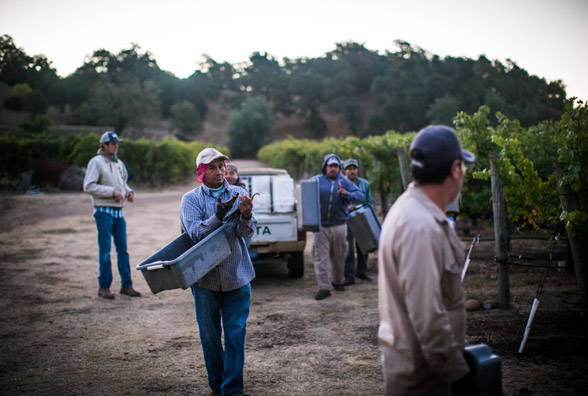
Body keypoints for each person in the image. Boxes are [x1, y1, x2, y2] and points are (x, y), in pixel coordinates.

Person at [378, 125, 479, 396]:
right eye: (463, 166)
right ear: (455, 170)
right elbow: (428, 318)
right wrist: (459, 376)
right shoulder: (419, 226)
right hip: (424, 378)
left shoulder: (414, 211)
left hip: (421, 367)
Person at [180, 148, 256, 396]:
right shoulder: (190, 200)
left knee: (235, 335)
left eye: (221, 166)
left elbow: (247, 234)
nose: (219, 172)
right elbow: (194, 234)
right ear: (201, 171)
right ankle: (217, 383)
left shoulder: (239, 193)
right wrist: (218, 216)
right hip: (204, 278)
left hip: (237, 274)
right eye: (211, 168)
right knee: (210, 336)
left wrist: (246, 216)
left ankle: (232, 387)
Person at [83, 131, 141, 299]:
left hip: (118, 212)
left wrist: (128, 192)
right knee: (105, 250)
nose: (116, 147)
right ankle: (104, 287)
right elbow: (89, 186)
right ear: (104, 145)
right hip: (103, 212)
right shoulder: (96, 162)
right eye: (113, 144)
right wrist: (110, 192)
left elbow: (123, 183)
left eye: (117, 144)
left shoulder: (118, 164)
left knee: (123, 250)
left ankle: (126, 285)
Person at [312, 154, 364, 300]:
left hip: (339, 224)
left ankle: (338, 281)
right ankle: (324, 287)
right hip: (321, 226)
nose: (333, 169)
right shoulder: (317, 180)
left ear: (339, 168)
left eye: (336, 167)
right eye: (331, 166)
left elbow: (360, 195)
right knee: (321, 257)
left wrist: (347, 194)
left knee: (339, 256)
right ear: (325, 167)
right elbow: (306, 193)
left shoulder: (344, 181)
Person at [342, 159, 374, 285]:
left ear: (357, 170)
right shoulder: (341, 183)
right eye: (349, 169)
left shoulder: (364, 184)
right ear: (345, 171)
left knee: (363, 246)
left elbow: (369, 201)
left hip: (362, 217)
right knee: (348, 248)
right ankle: (349, 276)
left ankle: (362, 272)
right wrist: (346, 208)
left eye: (354, 169)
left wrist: (367, 211)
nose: (352, 171)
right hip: (347, 218)